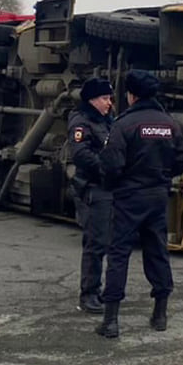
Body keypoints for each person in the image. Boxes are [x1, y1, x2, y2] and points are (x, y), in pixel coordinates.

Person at [95, 70, 183, 339]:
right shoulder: (170, 124)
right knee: (157, 251)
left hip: (128, 197)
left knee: (118, 255)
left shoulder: (124, 125)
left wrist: (114, 184)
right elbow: (180, 161)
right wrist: (161, 178)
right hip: (158, 196)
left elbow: (111, 164)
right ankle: (160, 315)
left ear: (132, 95)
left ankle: (111, 321)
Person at [66, 77, 115, 315]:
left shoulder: (105, 120)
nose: (109, 103)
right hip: (93, 187)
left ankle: (99, 290)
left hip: (106, 187)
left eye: (110, 98)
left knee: (105, 241)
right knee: (95, 243)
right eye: (105, 98)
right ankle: (89, 294)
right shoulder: (81, 121)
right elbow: (81, 153)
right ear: (92, 100)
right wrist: (105, 168)